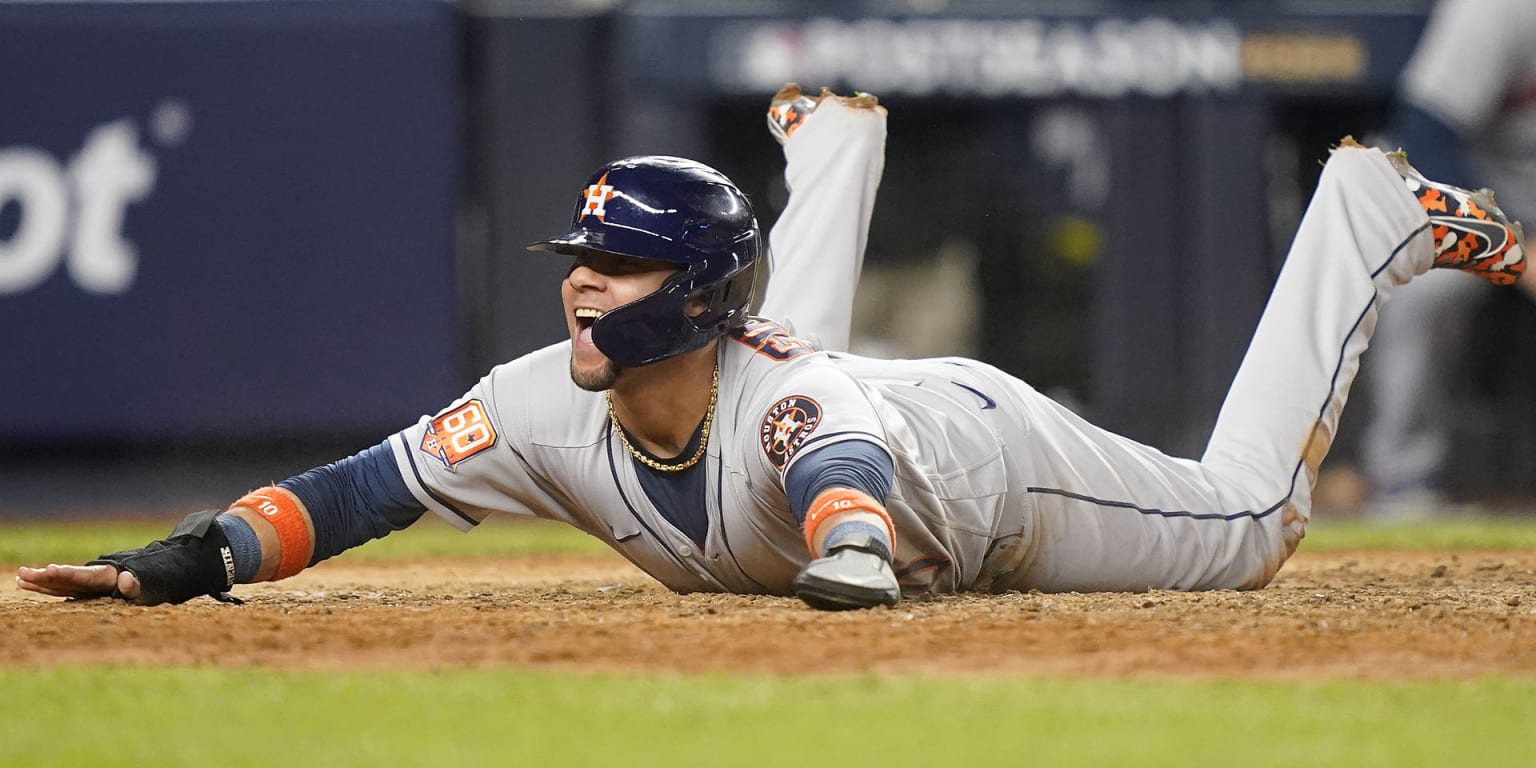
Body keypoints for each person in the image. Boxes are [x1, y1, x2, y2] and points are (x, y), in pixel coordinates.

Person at [16, 85, 1527, 611]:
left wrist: (856, 555)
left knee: (1252, 522)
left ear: (682, 290)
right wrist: (191, 557)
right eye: (580, 263)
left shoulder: (789, 401)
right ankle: (840, 152)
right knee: (773, 363)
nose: (581, 290)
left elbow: (841, 478)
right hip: (831, 398)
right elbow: (371, 487)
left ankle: (1365, 210)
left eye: (615, 268)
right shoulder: (547, 403)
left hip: (981, 469)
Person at [1357, 0, 1536, 519]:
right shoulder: (1499, 10)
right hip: (1452, 202)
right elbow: (1424, 142)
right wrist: (1516, 249)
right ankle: (1401, 481)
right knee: (1430, 288)